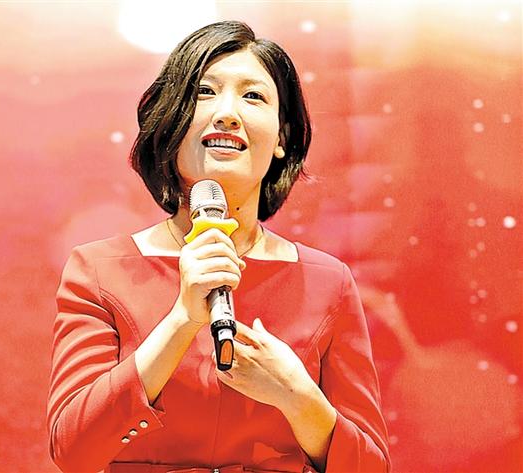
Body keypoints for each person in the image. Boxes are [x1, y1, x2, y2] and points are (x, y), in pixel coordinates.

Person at [47, 21, 390, 473]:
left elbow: (369, 467)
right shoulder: (99, 270)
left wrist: (298, 397)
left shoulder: (329, 283)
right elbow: (73, 451)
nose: (227, 113)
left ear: (282, 138)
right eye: (204, 92)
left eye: (254, 96)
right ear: (169, 124)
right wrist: (182, 319)